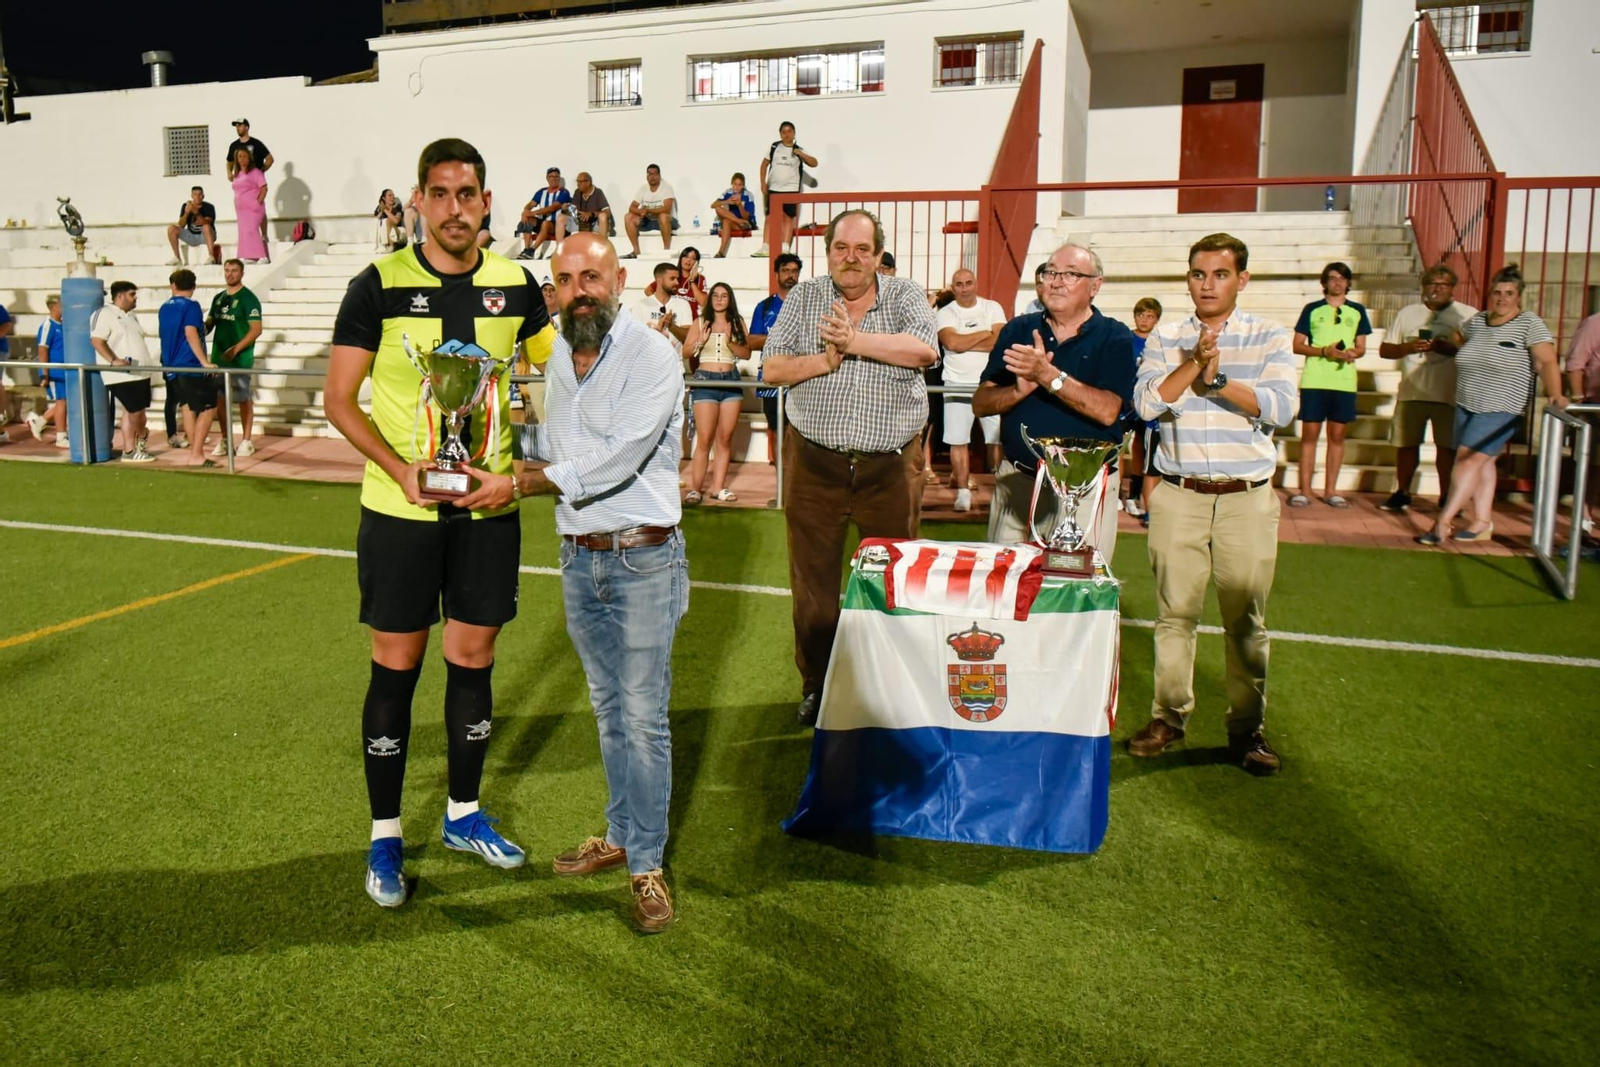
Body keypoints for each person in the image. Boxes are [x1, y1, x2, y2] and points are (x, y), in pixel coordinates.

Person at [323, 137, 557, 908]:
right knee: (396, 664)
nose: (455, 208)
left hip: (486, 505)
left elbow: (565, 370)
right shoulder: (378, 283)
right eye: (441, 193)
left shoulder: (516, 284)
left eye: (469, 194)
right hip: (400, 509)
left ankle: (463, 812)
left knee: (475, 652)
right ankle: (386, 832)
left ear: (488, 202)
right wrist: (401, 470)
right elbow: (339, 399)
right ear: (418, 200)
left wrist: (522, 475)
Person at [512, 232, 687, 934]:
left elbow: (620, 457)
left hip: (644, 559)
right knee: (609, 708)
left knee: (644, 717)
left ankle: (647, 862)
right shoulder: (556, 354)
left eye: (592, 275)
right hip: (580, 556)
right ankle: (619, 833)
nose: (580, 288)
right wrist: (490, 440)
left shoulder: (654, 353)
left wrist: (528, 480)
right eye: (566, 279)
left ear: (619, 278)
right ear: (554, 289)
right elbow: (561, 442)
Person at [1125, 233, 1298, 776]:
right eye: (1199, 274)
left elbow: (1282, 407)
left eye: (1220, 274)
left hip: (1246, 498)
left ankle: (1248, 730)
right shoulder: (1168, 335)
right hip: (1178, 495)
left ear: (1241, 280)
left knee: (1245, 619)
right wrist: (1192, 363)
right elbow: (1148, 402)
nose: (1207, 284)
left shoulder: (1269, 335)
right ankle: (1168, 718)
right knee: (1174, 615)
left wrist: (1217, 379)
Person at [760, 208, 938, 725]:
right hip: (814, 466)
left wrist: (853, 342)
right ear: (829, 252)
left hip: (890, 467)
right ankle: (818, 686)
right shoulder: (805, 298)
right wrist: (824, 361)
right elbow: (771, 365)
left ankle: (892, 689)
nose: (852, 259)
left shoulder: (904, 294)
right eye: (842, 248)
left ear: (879, 255)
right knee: (813, 590)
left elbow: (924, 351)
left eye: (863, 249)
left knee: (895, 582)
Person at [974, 245, 1136, 558]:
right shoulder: (1018, 330)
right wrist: (1017, 392)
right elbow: (981, 403)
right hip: (1019, 480)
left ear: (1095, 286)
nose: (1056, 281)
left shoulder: (1114, 337)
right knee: (1007, 589)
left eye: (1070, 274)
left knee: (1078, 589)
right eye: (1050, 272)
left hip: (1085, 488)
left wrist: (1047, 375)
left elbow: (1106, 412)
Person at [1417, 264, 1567, 545]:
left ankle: (1443, 522)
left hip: (1502, 407)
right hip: (1467, 403)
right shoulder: (1478, 321)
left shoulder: (1528, 323)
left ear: (1518, 296)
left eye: (1509, 293)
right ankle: (1481, 521)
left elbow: (1547, 361)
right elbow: (1458, 336)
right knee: (1481, 464)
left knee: (1466, 460)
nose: (1502, 298)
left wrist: (1557, 393)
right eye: (1497, 292)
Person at [1377, 265, 1475, 512]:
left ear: (1453, 288)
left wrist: (1449, 348)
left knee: (1447, 448)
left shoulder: (1467, 315)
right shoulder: (1408, 313)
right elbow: (1385, 350)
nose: (1437, 289)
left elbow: (1476, 353)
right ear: (1424, 286)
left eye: (1443, 285)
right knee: (1406, 445)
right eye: (1432, 283)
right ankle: (1403, 492)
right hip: (1412, 391)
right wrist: (1408, 348)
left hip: (1449, 394)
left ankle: (1446, 496)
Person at [1289, 262, 1371, 508]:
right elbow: (1297, 344)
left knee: (1337, 436)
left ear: (1348, 283)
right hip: (1315, 379)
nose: (1338, 283)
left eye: (1342, 279)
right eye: (1333, 278)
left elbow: (1361, 347)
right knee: (1309, 436)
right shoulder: (1312, 309)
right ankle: (1304, 490)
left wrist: (1351, 354)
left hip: (1343, 382)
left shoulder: (1356, 310)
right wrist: (1324, 351)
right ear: (1324, 282)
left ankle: (1331, 490)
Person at [935, 267, 1007, 511]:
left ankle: (1001, 489)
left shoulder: (993, 307)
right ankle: (963, 492)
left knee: (996, 439)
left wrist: (965, 342)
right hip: (956, 382)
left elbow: (999, 342)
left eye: (968, 283)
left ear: (976, 284)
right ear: (952, 287)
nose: (964, 288)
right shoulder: (945, 312)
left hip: (990, 383)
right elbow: (951, 342)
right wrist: (983, 333)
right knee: (958, 440)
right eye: (959, 284)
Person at [683, 282, 751, 504]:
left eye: (724, 295)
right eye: (716, 295)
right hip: (705, 380)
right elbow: (685, 351)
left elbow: (747, 353)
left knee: (725, 438)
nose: (720, 299)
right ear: (710, 298)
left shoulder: (737, 322)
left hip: (731, 381)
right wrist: (699, 342)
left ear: (730, 299)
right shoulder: (700, 322)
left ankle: (718, 488)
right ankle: (695, 489)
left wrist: (731, 342)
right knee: (704, 439)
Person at [158, 269, 221, 466]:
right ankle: (196, 455)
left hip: (170, 365)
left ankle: (195, 450)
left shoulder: (164, 307)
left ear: (173, 286)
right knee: (209, 407)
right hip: (189, 365)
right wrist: (205, 361)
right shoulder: (192, 306)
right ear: (193, 287)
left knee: (187, 406)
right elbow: (190, 332)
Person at [89, 280, 156, 462]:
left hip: (140, 371)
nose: (135, 299)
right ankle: (142, 436)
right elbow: (96, 340)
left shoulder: (131, 316)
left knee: (132, 410)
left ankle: (129, 450)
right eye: (132, 294)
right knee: (136, 411)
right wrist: (114, 360)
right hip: (122, 374)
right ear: (120, 296)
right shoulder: (104, 314)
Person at [206, 258, 263, 457]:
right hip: (219, 360)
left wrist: (236, 349)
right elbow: (209, 324)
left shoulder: (249, 299)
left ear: (242, 273)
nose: (230, 274)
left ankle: (246, 440)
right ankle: (225, 439)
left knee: (243, 399)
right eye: (227, 270)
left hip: (240, 360)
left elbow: (256, 329)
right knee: (220, 400)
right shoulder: (219, 298)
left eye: (234, 271)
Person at [749, 253, 801, 465]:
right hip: (772, 380)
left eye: (795, 271)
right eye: (786, 271)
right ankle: (781, 492)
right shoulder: (765, 307)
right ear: (777, 274)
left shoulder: (807, 305)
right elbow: (752, 342)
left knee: (799, 435)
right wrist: (782, 338)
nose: (790, 275)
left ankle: (795, 493)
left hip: (801, 380)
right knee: (777, 432)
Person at [1123, 297, 1163, 521]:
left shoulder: (1158, 341)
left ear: (1156, 319)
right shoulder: (1127, 338)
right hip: (1126, 403)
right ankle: (1117, 493)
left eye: (1150, 316)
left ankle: (1136, 494)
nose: (1145, 320)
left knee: (1142, 447)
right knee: (1119, 447)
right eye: (1141, 315)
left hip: (1146, 404)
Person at [1565, 311, 1600, 551]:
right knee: (1593, 469)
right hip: (1596, 407)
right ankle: (1583, 524)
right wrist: (1579, 403)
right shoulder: (1595, 323)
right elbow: (1576, 363)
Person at [756, 121, 817, 256]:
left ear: (794, 133)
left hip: (791, 189)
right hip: (774, 188)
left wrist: (800, 154)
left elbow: (814, 163)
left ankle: (785, 247)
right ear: (780, 134)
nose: (787, 134)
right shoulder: (774, 147)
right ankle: (765, 246)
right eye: (784, 132)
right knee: (770, 217)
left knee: (789, 218)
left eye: (789, 131)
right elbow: (764, 165)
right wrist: (762, 183)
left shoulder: (799, 149)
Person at [224, 119, 273, 251]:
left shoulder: (255, 143)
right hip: (241, 181)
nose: (238, 128)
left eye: (240, 125)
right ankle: (246, 236)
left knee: (258, 207)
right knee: (244, 209)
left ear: (246, 127)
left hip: (254, 181)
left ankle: (263, 235)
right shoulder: (234, 145)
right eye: (236, 126)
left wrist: (262, 170)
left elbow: (269, 158)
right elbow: (229, 161)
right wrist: (229, 173)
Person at [27, 295, 67, 446]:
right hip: (54, 370)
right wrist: (45, 373)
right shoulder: (48, 325)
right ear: (54, 307)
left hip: (63, 369)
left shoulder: (62, 324)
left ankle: (38, 422)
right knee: (62, 402)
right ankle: (61, 437)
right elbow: (43, 349)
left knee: (65, 402)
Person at [630, 262, 693, 355]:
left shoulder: (683, 304)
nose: (677, 282)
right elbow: (634, 338)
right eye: (672, 279)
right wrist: (656, 330)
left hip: (675, 366)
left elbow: (688, 338)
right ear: (659, 280)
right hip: (649, 364)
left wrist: (672, 326)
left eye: (677, 279)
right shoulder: (641, 304)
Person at [623, 163, 675, 259]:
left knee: (663, 216)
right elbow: (632, 207)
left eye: (655, 174)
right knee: (628, 216)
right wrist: (641, 212)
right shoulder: (643, 188)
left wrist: (648, 210)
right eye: (650, 174)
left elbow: (667, 208)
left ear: (659, 176)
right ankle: (636, 251)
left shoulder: (666, 187)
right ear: (647, 176)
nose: (652, 176)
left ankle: (667, 251)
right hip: (649, 221)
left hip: (666, 221)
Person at [525, 167, 574, 260]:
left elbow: (553, 208)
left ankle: (532, 249)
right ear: (547, 178)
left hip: (557, 225)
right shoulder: (541, 192)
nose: (554, 179)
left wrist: (532, 213)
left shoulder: (563, 192)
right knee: (527, 220)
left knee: (545, 223)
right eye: (551, 177)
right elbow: (531, 204)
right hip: (544, 224)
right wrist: (525, 211)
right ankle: (526, 250)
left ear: (559, 178)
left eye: (556, 177)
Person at [231, 147, 269, 263]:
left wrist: (258, 202)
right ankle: (250, 255)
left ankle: (263, 256)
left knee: (252, 230)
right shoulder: (237, 174)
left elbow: (264, 188)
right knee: (243, 231)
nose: (242, 159)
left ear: (249, 158)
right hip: (241, 210)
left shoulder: (255, 172)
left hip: (253, 207)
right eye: (239, 156)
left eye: (244, 156)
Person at [646, 247, 708, 318]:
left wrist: (692, 281)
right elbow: (648, 290)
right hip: (672, 317)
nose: (688, 260)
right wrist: (660, 305)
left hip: (691, 319)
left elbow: (703, 302)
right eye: (686, 256)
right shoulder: (672, 275)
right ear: (680, 258)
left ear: (697, 263)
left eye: (693, 258)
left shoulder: (700, 278)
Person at [166, 186, 220, 266]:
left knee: (206, 227)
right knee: (171, 229)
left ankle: (211, 257)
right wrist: (187, 213)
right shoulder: (186, 206)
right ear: (192, 196)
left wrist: (196, 212)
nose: (197, 197)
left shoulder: (209, 207)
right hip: (191, 235)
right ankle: (177, 258)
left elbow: (206, 222)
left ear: (203, 196)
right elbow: (181, 225)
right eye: (195, 194)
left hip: (205, 236)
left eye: (200, 194)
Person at [710, 173, 758, 258]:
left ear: (743, 185)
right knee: (719, 210)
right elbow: (713, 205)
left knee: (726, 221)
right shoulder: (727, 192)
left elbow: (746, 217)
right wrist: (727, 201)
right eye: (735, 184)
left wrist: (740, 205)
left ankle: (721, 252)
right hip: (738, 222)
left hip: (746, 224)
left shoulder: (748, 195)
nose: (737, 187)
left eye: (740, 185)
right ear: (732, 184)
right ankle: (721, 253)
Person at [571, 171, 612, 236]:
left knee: (603, 216)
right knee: (561, 218)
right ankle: (560, 245)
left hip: (594, 222)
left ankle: (602, 243)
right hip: (580, 223)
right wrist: (566, 208)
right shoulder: (577, 192)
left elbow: (607, 213)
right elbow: (572, 209)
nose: (578, 184)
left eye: (581, 182)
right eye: (577, 181)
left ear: (588, 182)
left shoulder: (598, 192)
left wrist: (591, 214)